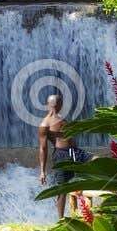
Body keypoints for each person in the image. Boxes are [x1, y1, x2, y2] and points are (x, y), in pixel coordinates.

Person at [38, 91, 88, 219]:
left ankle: (79, 211)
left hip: (76, 153)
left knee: (96, 162)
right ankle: (60, 220)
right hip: (61, 155)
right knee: (62, 188)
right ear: (49, 105)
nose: (56, 107)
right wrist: (42, 171)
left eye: (58, 104)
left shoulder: (61, 118)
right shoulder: (45, 124)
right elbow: (43, 148)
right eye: (55, 104)